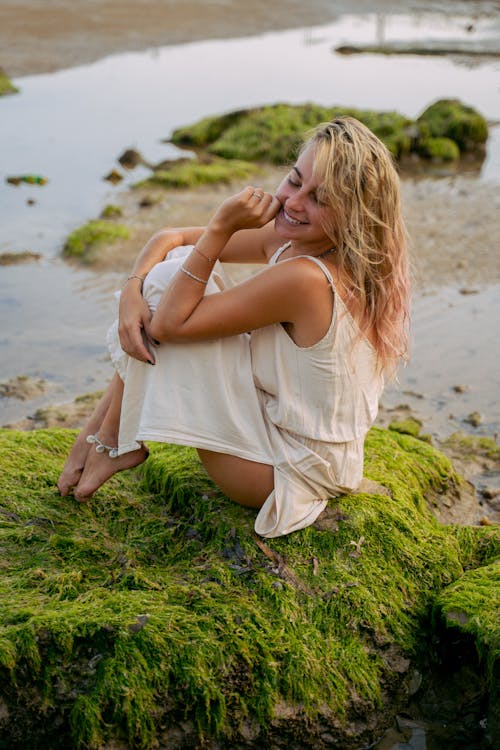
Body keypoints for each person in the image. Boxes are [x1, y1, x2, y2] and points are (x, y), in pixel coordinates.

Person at [57, 117, 410, 538]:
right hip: (287, 433)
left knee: (172, 288)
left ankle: (110, 439)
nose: (294, 202)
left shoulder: (306, 280)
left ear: (353, 215)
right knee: (168, 276)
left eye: (320, 198)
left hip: (285, 470)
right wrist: (132, 291)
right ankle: (108, 437)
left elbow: (170, 325)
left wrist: (224, 225)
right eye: (294, 181)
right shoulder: (298, 245)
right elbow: (170, 237)